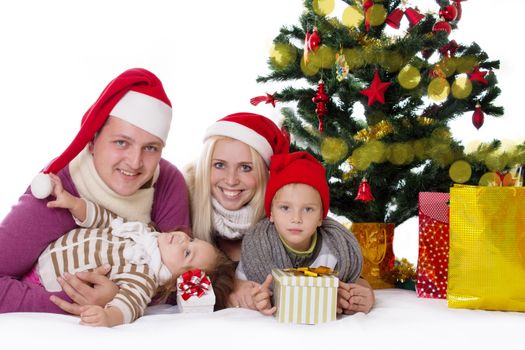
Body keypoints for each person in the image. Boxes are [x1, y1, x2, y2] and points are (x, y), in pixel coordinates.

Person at [0, 68, 191, 315]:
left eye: (151, 148)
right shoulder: (58, 191)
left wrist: (118, 298)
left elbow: (183, 279)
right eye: (121, 142)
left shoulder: (167, 180)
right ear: (92, 141)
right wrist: (77, 302)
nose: (135, 162)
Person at [19, 174, 234, 327]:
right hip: (39, 254)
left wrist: (108, 317)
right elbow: (107, 220)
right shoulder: (145, 232)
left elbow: (130, 304)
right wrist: (74, 204)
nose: (182, 239)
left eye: (187, 252)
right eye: (192, 239)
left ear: (175, 280)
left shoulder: (144, 275)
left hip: (44, 280)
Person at [237, 151, 375, 315]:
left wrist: (364, 295)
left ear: (320, 217)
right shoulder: (257, 247)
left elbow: (355, 280)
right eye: (285, 208)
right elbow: (240, 285)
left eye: (308, 209)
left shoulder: (335, 250)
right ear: (271, 214)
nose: (296, 218)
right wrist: (254, 297)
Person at [184, 112, 289, 307]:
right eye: (219, 165)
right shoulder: (184, 204)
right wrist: (229, 287)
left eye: (246, 168)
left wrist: (357, 284)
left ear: (265, 173)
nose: (231, 180)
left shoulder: (285, 213)